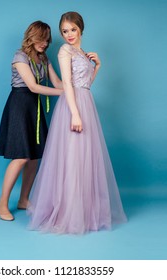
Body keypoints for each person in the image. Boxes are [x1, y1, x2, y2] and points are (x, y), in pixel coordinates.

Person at [28, 12, 127, 234]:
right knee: (73, 157)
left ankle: (84, 211)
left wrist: (98, 66)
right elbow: (68, 85)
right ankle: (69, 214)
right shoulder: (64, 51)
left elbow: (85, 84)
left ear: (80, 28)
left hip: (86, 103)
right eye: (64, 31)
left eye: (72, 29)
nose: (69, 35)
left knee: (85, 157)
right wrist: (74, 113)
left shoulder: (81, 52)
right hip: (73, 106)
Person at [0, 21, 63, 221]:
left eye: (48, 39)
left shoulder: (44, 58)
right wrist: (63, 93)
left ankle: (24, 200)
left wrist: (76, 90)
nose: (45, 43)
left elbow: (58, 82)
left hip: (36, 107)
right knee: (21, 157)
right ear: (32, 36)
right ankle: (2, 204)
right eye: (42, 38)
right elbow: (33, 87)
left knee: (34, 156)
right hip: (19, 105)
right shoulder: (19, 56)